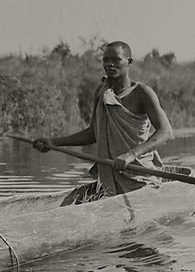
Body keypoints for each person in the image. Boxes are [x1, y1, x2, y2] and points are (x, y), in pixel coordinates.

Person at [33, 41, 174, 205]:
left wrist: (130, 155)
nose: (109, 64)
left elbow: (166, 132)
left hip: (139, 177)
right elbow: (93, 132)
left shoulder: (142, 93)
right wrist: (53, 143)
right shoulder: (101, 92)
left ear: (129, 62)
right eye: (106, 60)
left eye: (116, 60)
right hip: (109, 179)